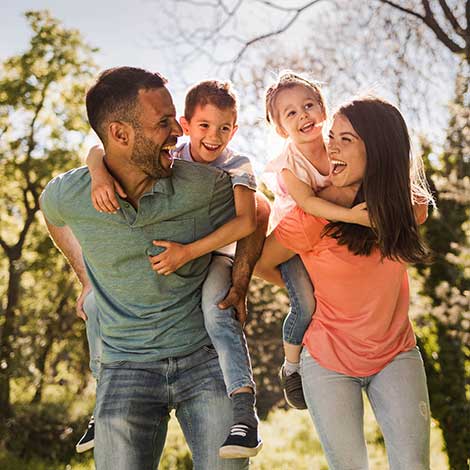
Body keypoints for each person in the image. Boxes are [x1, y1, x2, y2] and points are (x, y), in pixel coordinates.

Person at [40, 66, 267, 470]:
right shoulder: (71, 193)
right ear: (120, 134)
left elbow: (258, 212)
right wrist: (86, 278)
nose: (177, 132)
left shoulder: (203, 184)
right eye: (163, 123)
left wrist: (240, 280)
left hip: (202, 358)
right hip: (124, 365)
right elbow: (51, 214)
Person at [255, 96, 433, 469]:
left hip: (395, 352)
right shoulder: (311, 218)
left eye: (345, 139)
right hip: (328, 360)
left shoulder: (411, 208)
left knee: (414, 465)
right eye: (331, 135)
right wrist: (309, 300)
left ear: (378, 148)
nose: (329, 145)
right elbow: (261, 264)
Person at [260, 71, 370, 409]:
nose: (303, 115)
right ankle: (291, 366)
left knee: (338, 295)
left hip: (326, 235)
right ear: (281, 128)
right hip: (292, 240)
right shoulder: (288, 164)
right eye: (290, 113)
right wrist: (353, 216)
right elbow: (307, 204)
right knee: (305, 303)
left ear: (323, 109)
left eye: (308, 106)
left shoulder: (337, 146)